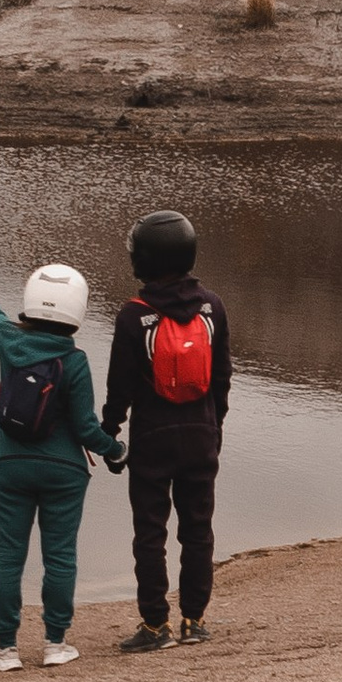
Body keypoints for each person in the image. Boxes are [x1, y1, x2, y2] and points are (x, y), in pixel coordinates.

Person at [0, 245, 125, 670]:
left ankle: (6, 649)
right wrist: (116, 449)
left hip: (8, 467)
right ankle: (55, 644)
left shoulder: (8, 339)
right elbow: (86, 428)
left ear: (31, 300)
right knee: (60, 556)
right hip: (64, 472)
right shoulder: (75, 361)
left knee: (7, 557)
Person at [103, 207, 232, 649]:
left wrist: (109, 433)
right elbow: (221, 379)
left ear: (144, 259)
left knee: (150, 534)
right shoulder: (213, 308)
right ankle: (194, 621)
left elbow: (119, 386)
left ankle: (156, 626)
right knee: (198, 531)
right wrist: (214, 429)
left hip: (152, 441)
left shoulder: (132, 316)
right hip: (200, 437)